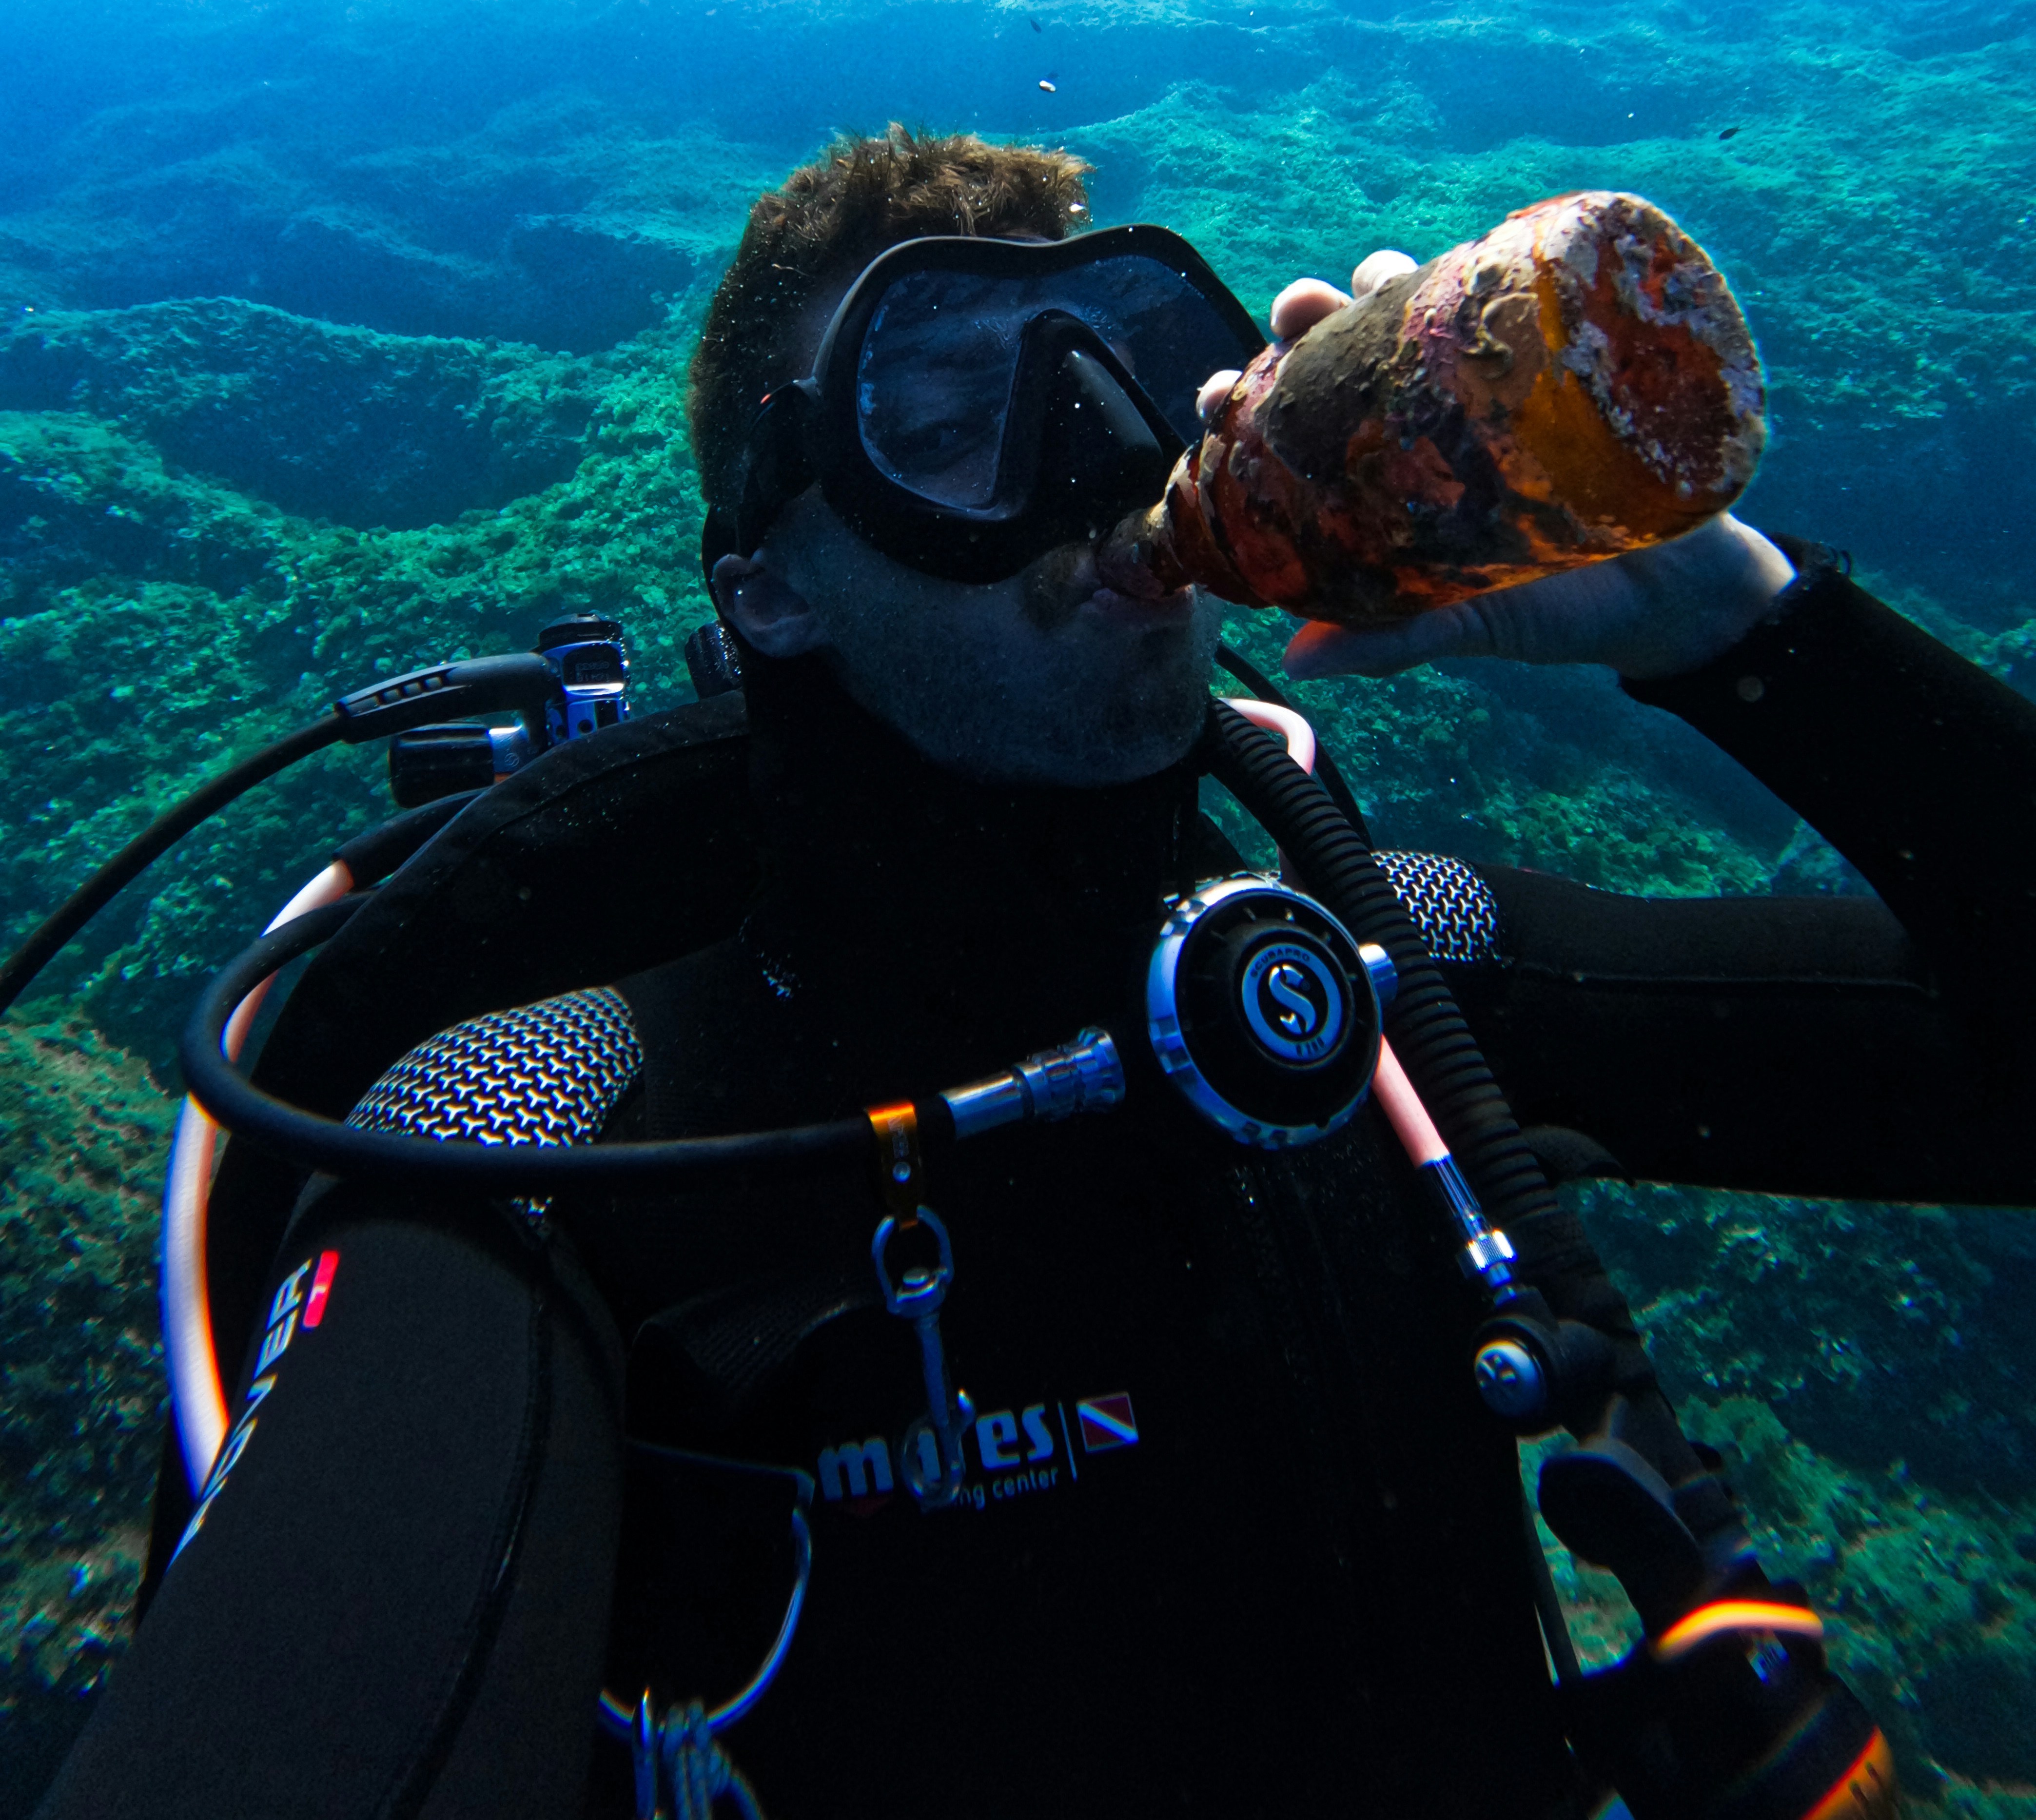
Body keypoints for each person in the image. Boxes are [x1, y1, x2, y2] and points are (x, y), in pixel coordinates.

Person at [39, 126, 2036, 1820]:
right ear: (769, 585)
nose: (1089, 455)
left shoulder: (1367, 990)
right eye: (943, 410)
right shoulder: (543, 1138)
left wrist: (1729, 626)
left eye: (1138, 362)